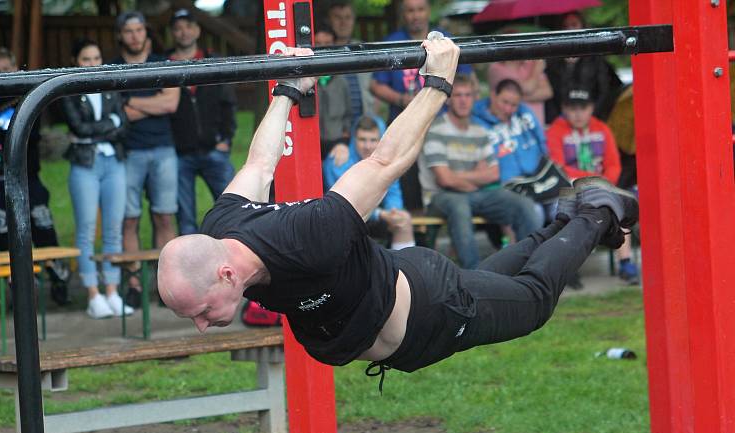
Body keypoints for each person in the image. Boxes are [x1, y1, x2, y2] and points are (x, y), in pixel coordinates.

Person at [157, 37, 640, 389]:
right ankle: (569, 217)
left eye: (200, 311)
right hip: (407, 289)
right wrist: (287, 90)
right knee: (510, 284)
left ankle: (597, 210)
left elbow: (384, 162)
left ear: (223, 274)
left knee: (533, 301)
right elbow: (259, 164)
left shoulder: (312, 234)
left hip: (431, 312)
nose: (200, 324)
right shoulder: (221, 226)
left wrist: (436, 85)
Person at [418, 73, 541, 269]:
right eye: (458, 95)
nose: (463, 101)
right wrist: (475, 177)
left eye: (468, 95)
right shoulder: (437, 130)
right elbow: (444, 179)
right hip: (440, 197)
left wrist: (458, 177)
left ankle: (532, 270)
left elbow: (493, 174)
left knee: (523, 205)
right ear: (448, 99)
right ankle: (473, 277)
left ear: (475, 98)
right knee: (459, 206)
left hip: (477, 195)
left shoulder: (479, 131)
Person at [0, 47, 73, 306]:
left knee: (42, 222)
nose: (3, 75)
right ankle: (20, 285)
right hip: (0, 179)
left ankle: (57, 275)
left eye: (7, 69)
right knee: (3, 228)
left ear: (15, 68)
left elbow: (32, 135)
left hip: (29, 174)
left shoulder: (29, 96)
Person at [370, 0, 475, 211]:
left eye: (420, 9)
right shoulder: (392, 42)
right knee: (406, 177)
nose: (416, 15)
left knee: (445, 175)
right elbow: (375, 85)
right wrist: (402, 100)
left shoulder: (444, 41)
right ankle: (413, 225)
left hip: (442, 120)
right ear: (403, 14)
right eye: (410, 10)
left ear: (428, 11)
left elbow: (467, 79)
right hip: (405, 120)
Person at [111, 11, 180, 308]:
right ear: (120, 35)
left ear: (147, 33)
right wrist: (152, 104)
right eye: (129, 31)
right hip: (128, 153)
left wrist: (130, 101)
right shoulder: (112, 68)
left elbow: (171, 103)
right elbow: (117, 111)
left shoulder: (162, 64)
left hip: (164, 149)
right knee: (130, 220)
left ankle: (167, 286)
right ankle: (136, 285)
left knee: (164, 216)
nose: (135, 36)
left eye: (140, 30)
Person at [62, 39, 134, 319]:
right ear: (75, 61)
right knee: (87, 229)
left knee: (114, 227)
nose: (92, 64)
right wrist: (111, 124)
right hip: (84, 163)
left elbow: (124, 124)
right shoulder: (68, 91)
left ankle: (113, 292)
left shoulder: (109, 88)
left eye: (96, 58)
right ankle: (93, 295)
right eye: (85, 59)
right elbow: (78, 127)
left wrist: (103, 128)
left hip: (113, 162)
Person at [546, 86, 638, 285]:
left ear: (591, 108)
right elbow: (559, 167)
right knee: (565, 211)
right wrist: (595, 180)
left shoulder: (602, 129)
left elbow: (614, 164)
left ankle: (626, 262)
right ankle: (569, 268)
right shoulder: (555, 131)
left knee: (620, 206)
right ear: (564, 108)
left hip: (602, 186)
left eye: (583, 107)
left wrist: (603, 184)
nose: (578, 113)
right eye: (572, 108)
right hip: (570, 188)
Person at [166, 8, 237, 236]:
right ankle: (190, 267)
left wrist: (226, 138)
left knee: (232, 209)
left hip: (214, 149)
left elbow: (228, 101)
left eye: (188, 26)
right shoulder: (164, 65)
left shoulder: (212, 61)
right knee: (185, 218)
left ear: (197, 30)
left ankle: (234, 254)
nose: (184, 32)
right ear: (173, 34)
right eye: (178, 28)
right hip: (179, 154)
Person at [324, 115, 415, 250]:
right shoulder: (339, 160)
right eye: (362, 139)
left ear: (382, 140)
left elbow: (393, 192)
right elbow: (348, 204)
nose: (367, 146)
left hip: (375, 217)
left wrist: (393, 211)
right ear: (354, 139)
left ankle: (404, 269)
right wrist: (381, 214)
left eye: (373, 140)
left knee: (403, 220)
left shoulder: (386, 161)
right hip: (341, 220)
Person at [471, 79, 549, 222]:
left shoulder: (524, 113)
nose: (508, 109)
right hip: (505, 187)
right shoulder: (475, 121)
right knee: (533, 211)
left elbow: (542, 142)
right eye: (504, 102)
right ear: (493, 95)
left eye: (514, 105)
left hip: (537, 180)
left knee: (562, 205)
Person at [544, 11, 623, 125]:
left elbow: (604, 91)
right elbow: (551, 93)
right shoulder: (553, 60)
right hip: (561, 120)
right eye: (566, 26)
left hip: (593, 118)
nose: (570, 29)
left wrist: (591, 115)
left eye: (574, 24)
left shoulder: (595, 58)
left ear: (582, 26)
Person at [326, 0, 376, 123]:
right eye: (338, 17)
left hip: (364, 123)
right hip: (335, 126)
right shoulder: (324, 51)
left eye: (348, 17)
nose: (343, 22)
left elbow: (376, 84)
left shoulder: (364, 48)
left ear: (354, 20)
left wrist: (372, 113)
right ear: (329, 20)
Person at [314, 24, 352, 158]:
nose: (323, 48)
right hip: (312, 142)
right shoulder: (306, 80)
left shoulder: (341, 80)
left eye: (327, 43)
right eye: (317, 44)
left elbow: (348, 112)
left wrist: (345, 135)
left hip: (337, 142)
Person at [487, 56, 553, 126]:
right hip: (509, 127)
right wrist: (537, 69)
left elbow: (548, 92)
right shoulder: (497, 68)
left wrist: (516, 98)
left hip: (536, 126)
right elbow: (527, 88)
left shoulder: (530, 65)